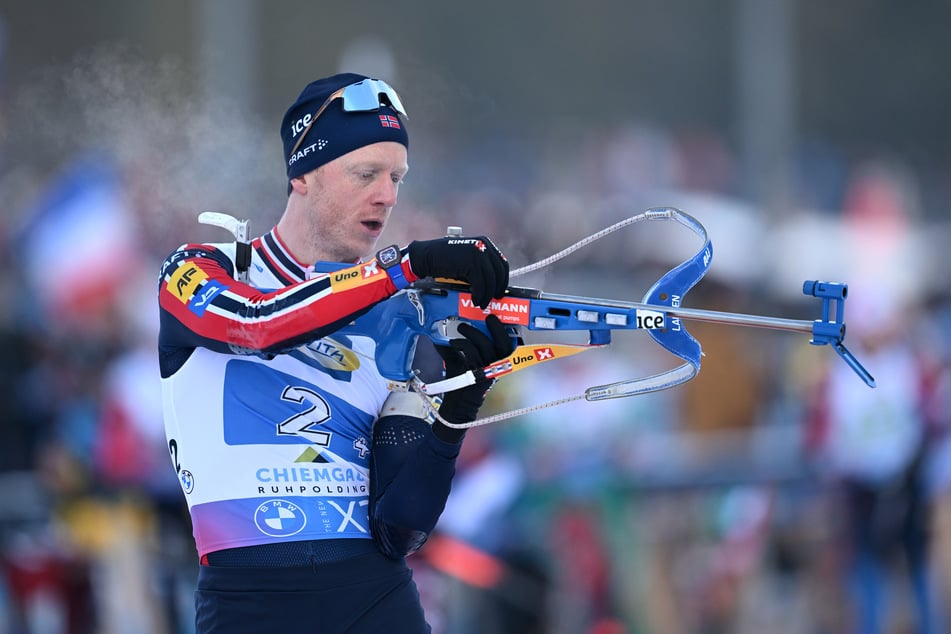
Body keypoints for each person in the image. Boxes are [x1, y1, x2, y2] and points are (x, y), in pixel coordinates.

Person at [157, 72, 516, 633]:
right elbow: (256, 326)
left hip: (375, 601)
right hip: (249, 603)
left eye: (396, 176)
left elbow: (399, 530)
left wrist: (456, 411)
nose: (387, 195)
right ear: (302, 173)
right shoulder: (204, 268)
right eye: (365, 173)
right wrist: (403, 266)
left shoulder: (393, 313)